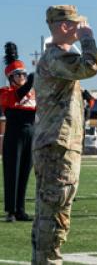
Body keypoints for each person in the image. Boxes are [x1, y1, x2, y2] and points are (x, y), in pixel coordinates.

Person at [32, 5, 97, 264]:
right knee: (54, 216)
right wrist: (88, 39)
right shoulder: (56, 57)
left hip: (58, 144)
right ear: (63, 26)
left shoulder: (58, 57)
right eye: (76, 24)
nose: (80, 27)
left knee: (52, 213)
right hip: (57, 146)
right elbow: (90, 66)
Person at [0, 42, 36, 222]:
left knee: (24, 171)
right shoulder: (5, 92)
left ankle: (20, 209)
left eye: (23, 74)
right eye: (18, 74)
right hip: (14, 134)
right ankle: (10, 211)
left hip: (31, 133)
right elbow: (18, 95)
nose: (22, 76)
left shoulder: (32, 93)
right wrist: (30, 82)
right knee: (12, 171)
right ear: (10, 77)